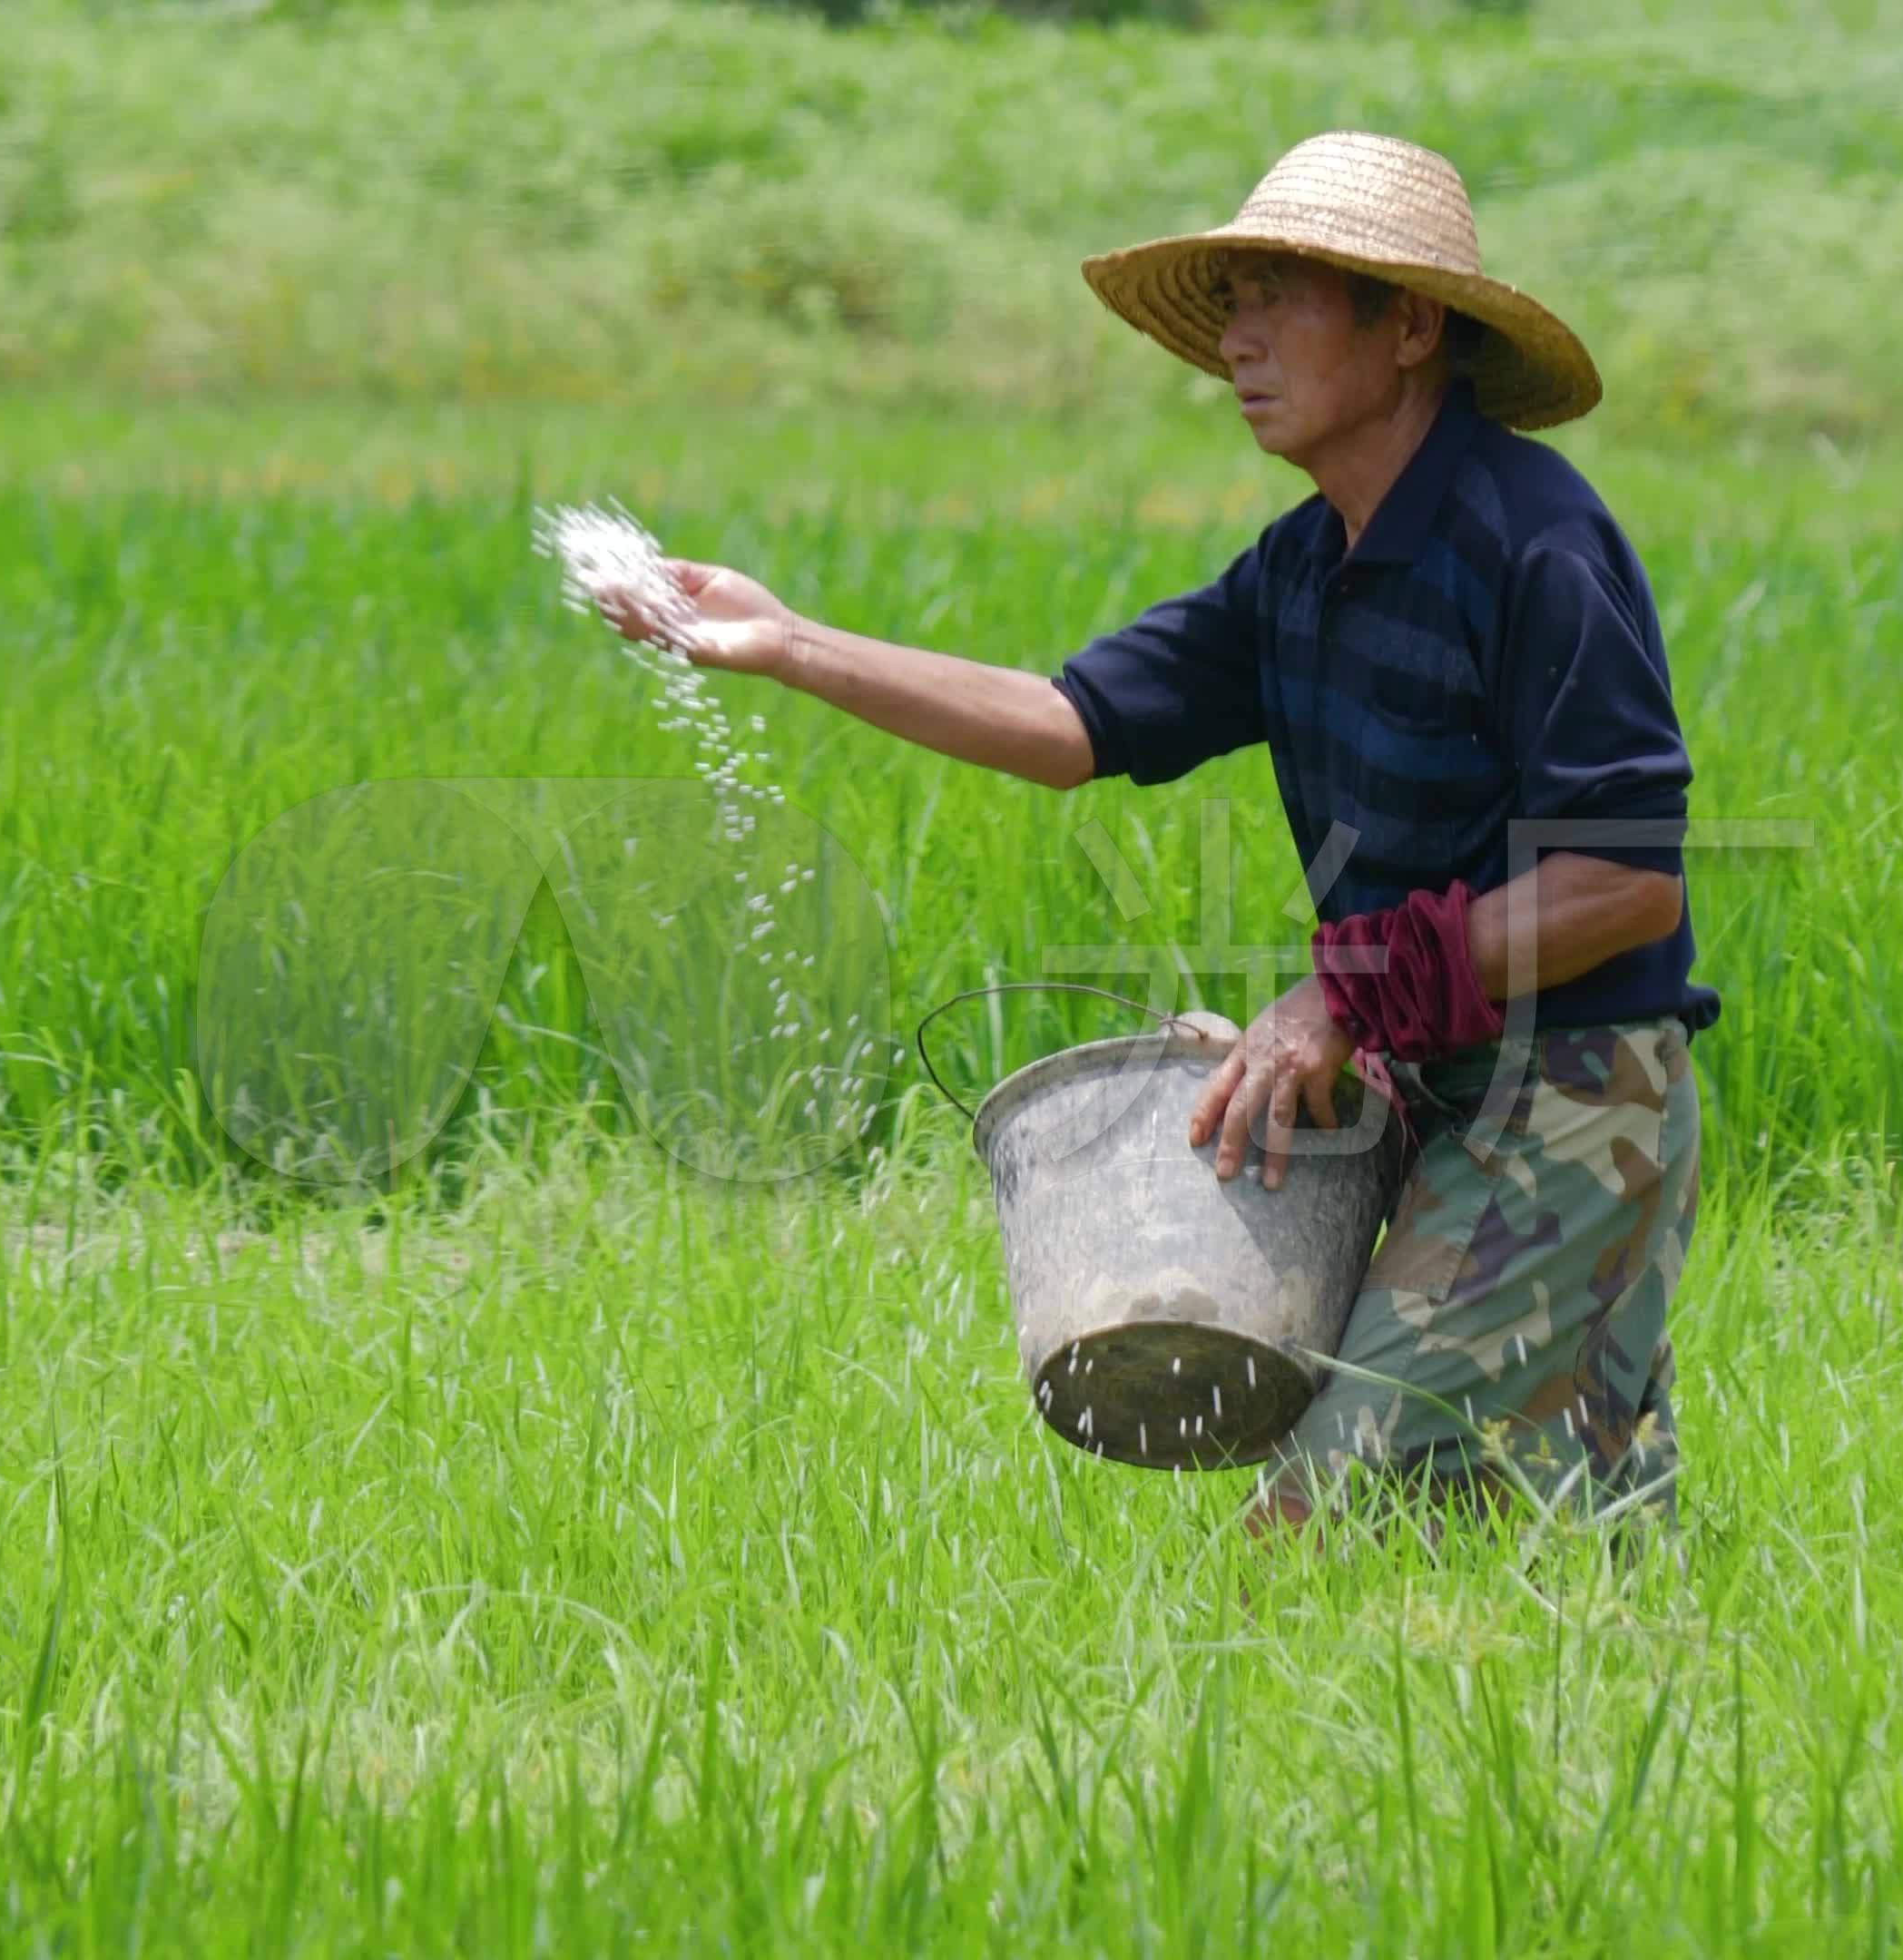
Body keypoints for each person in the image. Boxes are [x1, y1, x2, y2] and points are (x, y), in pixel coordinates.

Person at [590, 131, 1716, 1543]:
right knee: (1563, 1524)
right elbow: (1067, 724)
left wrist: (1344, 1000)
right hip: (1438, 1076)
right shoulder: (1303, 569)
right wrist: (788, 642)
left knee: (1323, 1522)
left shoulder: (1536, 543)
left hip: (1572, 1091)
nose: (1237, 344)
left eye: (1276, 299)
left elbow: (1621, 882)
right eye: (1228, 305)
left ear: (1411, 325)